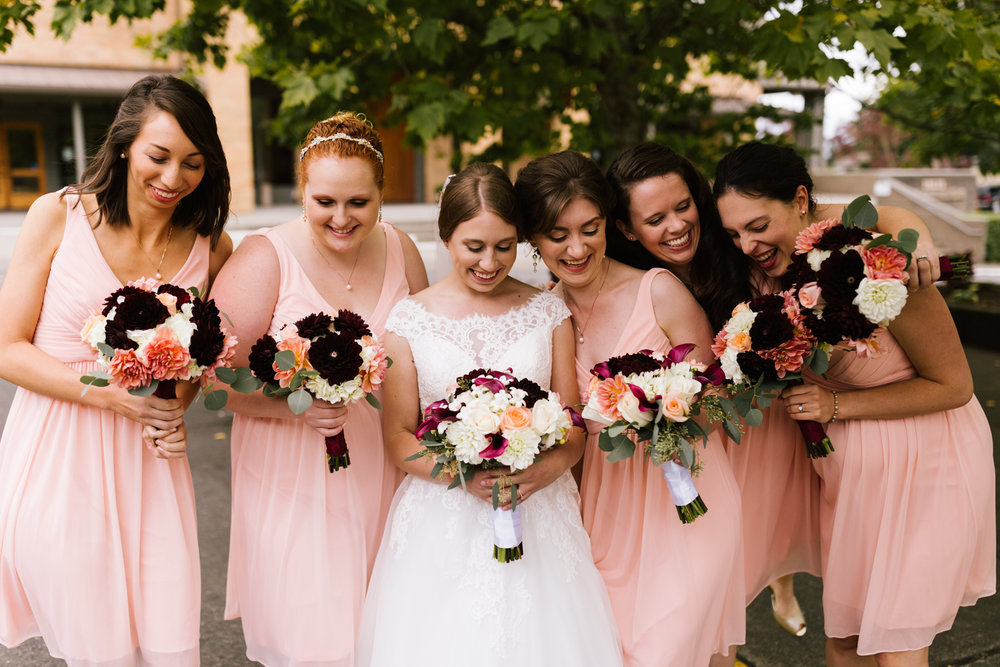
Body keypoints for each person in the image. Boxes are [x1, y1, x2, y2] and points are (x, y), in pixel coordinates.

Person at [605, 142, 943, 639]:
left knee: (765, 540)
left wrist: (923, 236)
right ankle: (775, 589)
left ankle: (781, 587)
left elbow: (855, 215)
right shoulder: (629, 279)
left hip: (764, 426)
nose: (677, 225)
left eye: (684, 206)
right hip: (697, 430)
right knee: (708, 575)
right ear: (629, 230)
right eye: (655, 219)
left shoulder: (736, 244)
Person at [714, 141, 995, 667]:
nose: (747, 244)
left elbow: (954, 386)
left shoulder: (875, 266)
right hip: (851, 475)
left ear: (799, 200)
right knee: (847, 640)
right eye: (734, 234)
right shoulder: (767, 277)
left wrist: (837, 406)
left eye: (756, 225)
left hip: (924, 463)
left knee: (896, 640)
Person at [0, 74, 232, 665]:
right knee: (94, 639)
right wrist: (110, 398)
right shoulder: (60, 215)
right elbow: (5, 347)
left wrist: (174, 403)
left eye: (193, 163)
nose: (173, 178)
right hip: (60, 451)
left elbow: (196, 364)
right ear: (126, 144)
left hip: (151, 466)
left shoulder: (211, 245)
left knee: (160, 629)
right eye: (158, 156)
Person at [356, 163, 622, 666]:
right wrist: (461, 474)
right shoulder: (409, 319)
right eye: (473, 246)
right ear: (446, 238)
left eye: (504, 245)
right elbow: (397, 435)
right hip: (443, 514)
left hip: (540, 505)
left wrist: (546, 468)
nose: (489, 261)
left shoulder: (547, 312)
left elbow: (573, 427)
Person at [211, 112, 427, 665]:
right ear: (301, 192)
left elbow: (430, 352)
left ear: (381, 196)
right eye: (324, 201)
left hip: (383, 471)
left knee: (388, 632)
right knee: (316, 639)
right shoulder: (264, 257)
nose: (341, 217)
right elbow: (217, 378)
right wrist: (294, 409)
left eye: (359, 202)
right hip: (292, 476)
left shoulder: (402, 249)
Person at [516, 150, 744, 667]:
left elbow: (718, 402)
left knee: (668, 651)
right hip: (598, 512)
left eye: (590, 228)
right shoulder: (543, 314)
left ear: (608, 225)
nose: (577, 248)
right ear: (534, 239)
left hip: (684, 505)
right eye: (558, 235)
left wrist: (668, 410)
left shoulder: (658, 290)